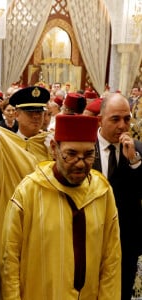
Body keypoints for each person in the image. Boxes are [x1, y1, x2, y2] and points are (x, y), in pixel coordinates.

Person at [0, 114, 121, 300]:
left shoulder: (102, 192)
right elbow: (10, 260)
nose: (80, 163)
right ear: (54, 149)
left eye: (88, 155)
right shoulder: (29, 192)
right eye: (71, 154)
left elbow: (111, 260)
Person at [0, 86, 52, 240]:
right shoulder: (4, 142)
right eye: (30, 112)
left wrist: (57, 156)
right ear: (17, 114)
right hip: (10, 214)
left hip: (43, 218)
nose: (36, 117)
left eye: (39, 112)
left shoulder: (50, 144)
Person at [93, 92, 142, 299]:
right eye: (115, 119)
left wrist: (134, 162)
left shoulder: (138, 150)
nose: (122, 126)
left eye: (127, 119)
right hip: (89, 241)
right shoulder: (83, 147)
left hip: (124, 246)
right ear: (100, 120)